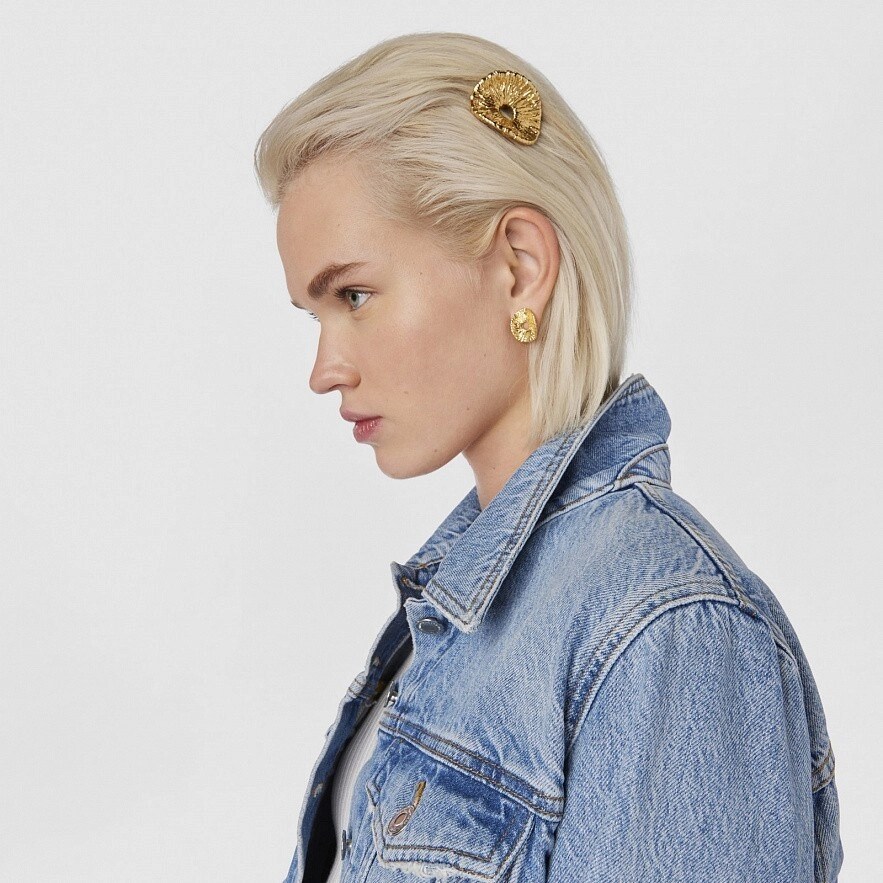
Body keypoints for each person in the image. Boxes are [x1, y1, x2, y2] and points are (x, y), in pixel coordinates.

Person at [253, 32, 843, 883]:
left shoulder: (666, 626)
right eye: (316, 315)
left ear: (520, 267)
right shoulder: (467, 608)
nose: (324, 369)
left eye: (354, 294)